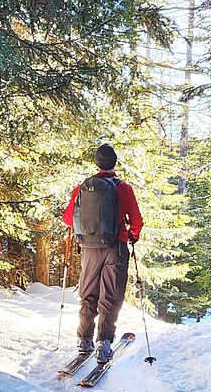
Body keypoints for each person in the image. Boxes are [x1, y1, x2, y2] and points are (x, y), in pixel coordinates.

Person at [62, 143, 143, 364]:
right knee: (110, 297)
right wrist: (133, 235)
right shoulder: (123, 188)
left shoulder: (83, 188)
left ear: (97, 163)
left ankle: (84, 341)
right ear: (113, 163)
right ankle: (103, 345)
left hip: (89, 249)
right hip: (115, 248)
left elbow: (69, 219)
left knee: (88, 295)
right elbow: (136, 220)